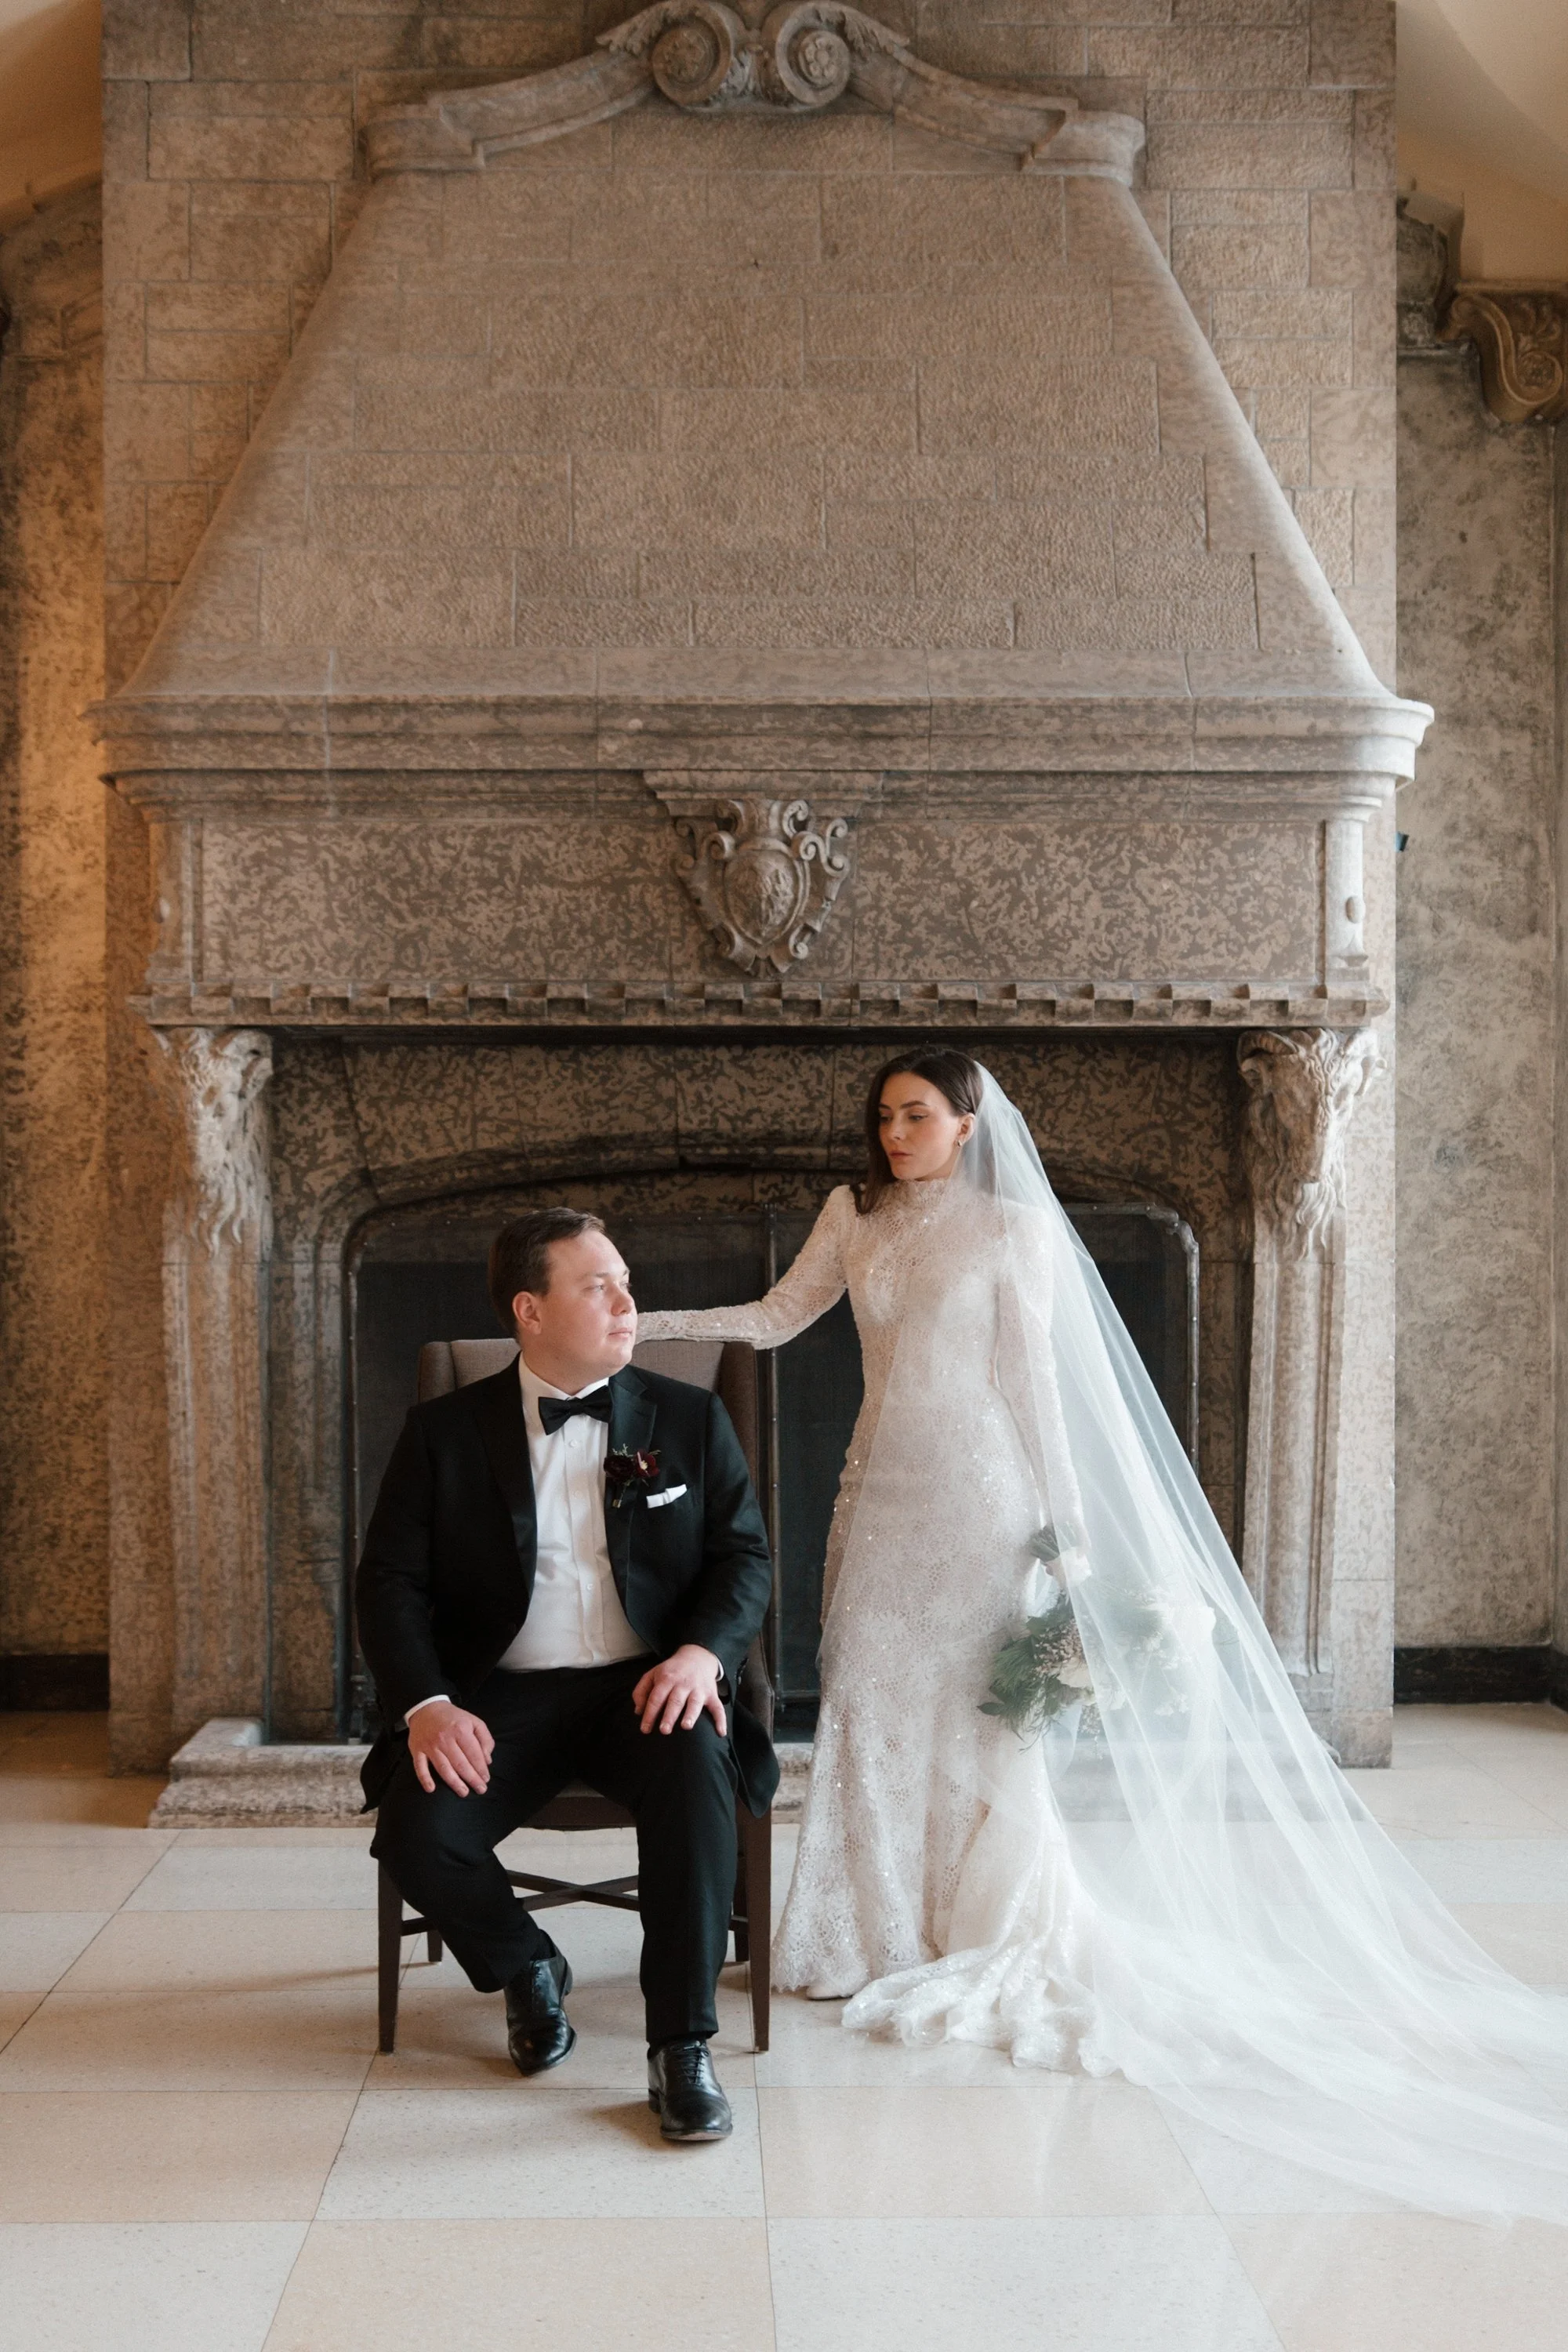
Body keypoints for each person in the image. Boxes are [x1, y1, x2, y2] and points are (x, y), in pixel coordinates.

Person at [637, 1048, 1568, 2220]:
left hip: (985, 1499)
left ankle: (963, 1924)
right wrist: (635, 1324)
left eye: (917, 1116)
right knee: (868, 1694)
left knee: (975, 1722)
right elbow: (775, 1319)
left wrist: (1067, 1546)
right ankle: (856, 1936)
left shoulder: (1013, 1233)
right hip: (880, 1499)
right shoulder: (851, 1212)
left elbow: (1039, 1397)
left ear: (970, 1125)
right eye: (883, 1118)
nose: (895, 1135)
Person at [357, 1206, 777, 2143]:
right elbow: (387, 1584)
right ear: (530, 1310)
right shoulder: (443, 1434)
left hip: (645, 1684)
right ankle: (525, 1965)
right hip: (498, 1694)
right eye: (598, 1287)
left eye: (625, 1281)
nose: (629, 1303)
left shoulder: (687, 1416)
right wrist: (427, 1706)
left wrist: (700, 1655)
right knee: (418, 1830)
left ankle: (680, 2048)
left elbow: (743, 1558)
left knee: (697, 1776)